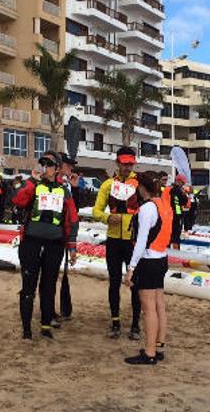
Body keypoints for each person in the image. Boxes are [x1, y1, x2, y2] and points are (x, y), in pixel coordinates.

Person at [11, 151, 77, 339]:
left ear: (57, 168)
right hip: (31, 242)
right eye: (43, 164)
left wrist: (72, 246)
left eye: (49, 164)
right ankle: (26, 330)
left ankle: (46, 325)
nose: (45, 167)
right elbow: (18, 200)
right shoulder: (33, 185)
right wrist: (32, 182)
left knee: (48, 285)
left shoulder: (64, 191)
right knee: (28, 285)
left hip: (54, 245)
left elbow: (72, 218)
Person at [123, 171, 173, 366]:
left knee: (148, 309)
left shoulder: (147, 209)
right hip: (161, 259)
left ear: (142, 188)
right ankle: (159, 346)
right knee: (159, 304)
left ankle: (150, 352)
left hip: (148, 261)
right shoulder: (163, 205)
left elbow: (142, 241)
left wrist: (131, 267)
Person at [93, 146, 142, 340]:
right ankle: (115, 322)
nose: (127, 167)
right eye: (124, 163)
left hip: (133, 241)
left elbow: (149, 208)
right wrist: (106, 218)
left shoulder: (140, 183)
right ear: (117, 162)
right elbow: (96, 211)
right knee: (114, 282)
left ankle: (136, 325)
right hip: (113, 240)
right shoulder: (107, 185)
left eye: (130, 163)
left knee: (136, 284)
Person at [56, 152, 81, 322]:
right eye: (68, 165)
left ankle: (57, 309)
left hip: (63, 234)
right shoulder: (55, 185)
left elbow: (75, 211)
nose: (71, 168)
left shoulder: (67, 185)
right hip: (52, 235)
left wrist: (76, 188)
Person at [162, 173, 188, 249]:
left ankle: (171, 252)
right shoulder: (174, 190)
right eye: (182, 183)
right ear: (178, 181)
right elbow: (183, 201)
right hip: (172, 216)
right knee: (173, 236)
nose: (183, 185)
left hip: (173, 215)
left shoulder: (172, 189)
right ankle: (171, 253)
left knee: (173, 236)